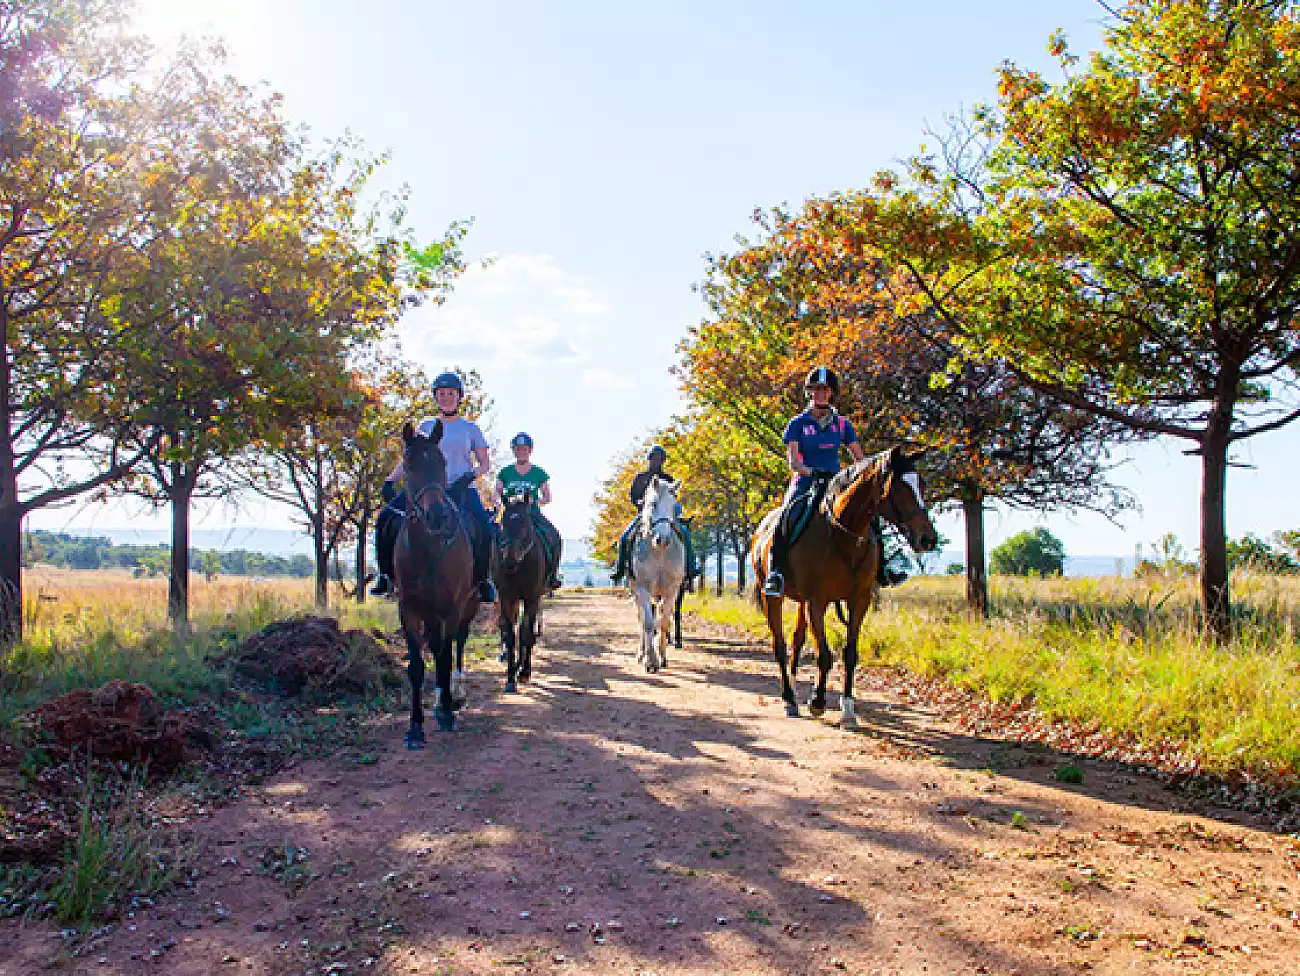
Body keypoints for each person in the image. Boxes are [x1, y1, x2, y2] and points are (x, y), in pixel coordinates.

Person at [370, 371, 497, 602]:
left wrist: (468, 477)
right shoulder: (426, 426)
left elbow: (485, 463)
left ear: (459, 397)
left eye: (451, 393)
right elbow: (411, 458)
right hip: (426, 489)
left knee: (485, 527)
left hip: (461, 489)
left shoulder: (470, 429)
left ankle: (482, 581)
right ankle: (386, 576)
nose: (446, 397)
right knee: (385, 518)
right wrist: (390, 479)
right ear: (436, 397)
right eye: (441, 394)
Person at [762, 366, 867, 598]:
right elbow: (794, 462)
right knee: (786, 516)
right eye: (816, 389)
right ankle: (776, 572)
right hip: (805, 481)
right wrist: (812, 472)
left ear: (831, 393)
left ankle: (884, 568)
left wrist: (851, 477)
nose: (820, 394)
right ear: (810, 392)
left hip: (835, 483)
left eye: (825, 389)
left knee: (868, 512)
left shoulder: (842, 425)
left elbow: (859, 459)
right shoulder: (797, 424)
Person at [610, 444, 698, 587]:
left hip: (665, 517)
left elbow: (673, 499)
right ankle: (620, 569)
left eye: (660, 459)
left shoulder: (668, 479)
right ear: (649, 460)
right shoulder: (640, 478)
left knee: (686, 535)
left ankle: (690, 569)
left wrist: (678, 514)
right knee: (625, 537)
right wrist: (639, 503)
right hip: (645, 516)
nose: (656, 461)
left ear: (663, 461)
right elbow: (633, 496)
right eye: (654, 458)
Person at [494, 431, 563, 590]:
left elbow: (547, 496)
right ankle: (492, 574)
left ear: (530, 451)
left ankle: (551, 575)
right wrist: (500, 501)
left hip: (531, 513)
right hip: (511, 514)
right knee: (494, 536)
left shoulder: (539, 473)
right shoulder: (505, 472)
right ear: (514, 451)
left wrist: (535, 501)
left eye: (524, 449)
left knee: (554, 536)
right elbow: (497, 491)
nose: (521, 452)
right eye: (518, 449)